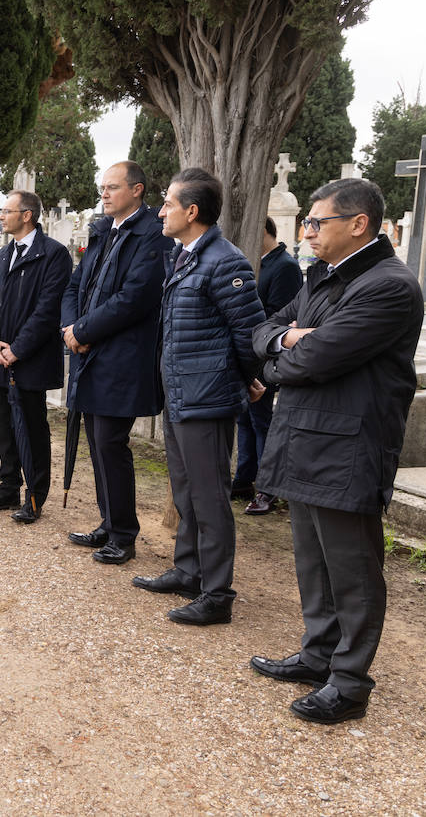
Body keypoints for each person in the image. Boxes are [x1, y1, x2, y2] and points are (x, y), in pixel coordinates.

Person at [249, 178, 423, 725]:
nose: (307, 231)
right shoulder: (325, 277)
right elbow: (267, 332)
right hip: (304, 438)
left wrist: (289, 352)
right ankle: (318, 653)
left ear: (358, 224)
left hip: (348, 448)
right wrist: (287, 342)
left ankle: (349, 682)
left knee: (352, 568)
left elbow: (313, 361)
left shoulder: (388, 286)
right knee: (312, 561)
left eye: (316, 221)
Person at [134, 168, 264, 624]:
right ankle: (188, 570)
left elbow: (249, 334)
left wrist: (243, 379)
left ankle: (217, 593)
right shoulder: (185, 256)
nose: (161, 211)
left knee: (210, 498)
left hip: (207, 398)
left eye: (168, 203)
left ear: (192, 211)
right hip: (181, 394)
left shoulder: (225, 261)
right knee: (186, 491)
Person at [62, 161, 173, 564]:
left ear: (137, 190)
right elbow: (77, 284)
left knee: (111, 442)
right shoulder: (101, 231)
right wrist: (70, 327)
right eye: (102, 187)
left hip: (122, 357)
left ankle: (124, 534)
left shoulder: (153, 236)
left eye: (112, 187)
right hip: (88, 353)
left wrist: (83, 331)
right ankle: (109, 523)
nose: (104, 193)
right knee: (97, 443)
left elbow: (135, 298)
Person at [0, 190, 72, 524]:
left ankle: (35, 495)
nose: (1, 216)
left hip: (29, 361)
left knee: (31, 428)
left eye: (6, 211)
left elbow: (47, 311)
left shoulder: (53, 255)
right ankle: (8, 487)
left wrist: (16, 349)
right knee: (4, 426)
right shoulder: (4, 254)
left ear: (26, 215)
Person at [232, 216, 303, 514]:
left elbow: (279, 314)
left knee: (262, 422)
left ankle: (267, 488)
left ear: (262, 231)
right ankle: (244, 479)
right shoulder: (259, 261)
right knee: (245, 420)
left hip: (266, 354)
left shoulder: (284, 266)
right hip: (250, 350)